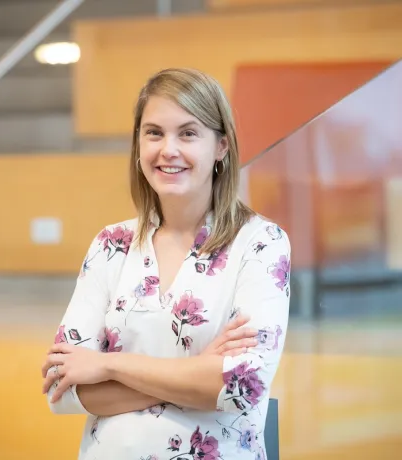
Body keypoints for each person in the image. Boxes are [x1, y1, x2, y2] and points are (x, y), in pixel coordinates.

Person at [41, 67, 291, 460]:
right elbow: (64, 391)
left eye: (188, 133)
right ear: (138, 144)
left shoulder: (261, 242)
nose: (168, 149)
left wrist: (109, 366)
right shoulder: (112, 244)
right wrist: (198, 371)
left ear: (221, 147)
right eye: (154, 132)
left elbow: (244, 383)